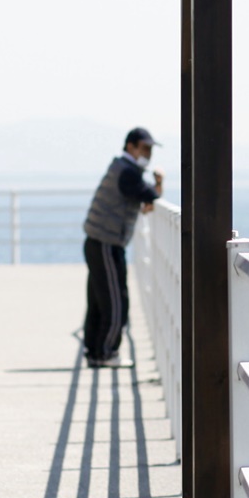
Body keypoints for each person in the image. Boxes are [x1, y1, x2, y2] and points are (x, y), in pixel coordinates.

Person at [81, 127, 164, 367]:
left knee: (99, 301)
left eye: (150, 149)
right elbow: (149, 196)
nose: (148, 154)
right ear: (131, 147)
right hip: (106, 242)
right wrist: (159, 183)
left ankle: (96, 352)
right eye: (145, 148)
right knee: (116, 301)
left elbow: (142, 199)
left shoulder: (122, 168)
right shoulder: (128, 172)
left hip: (98, 241)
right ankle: (106, 352)